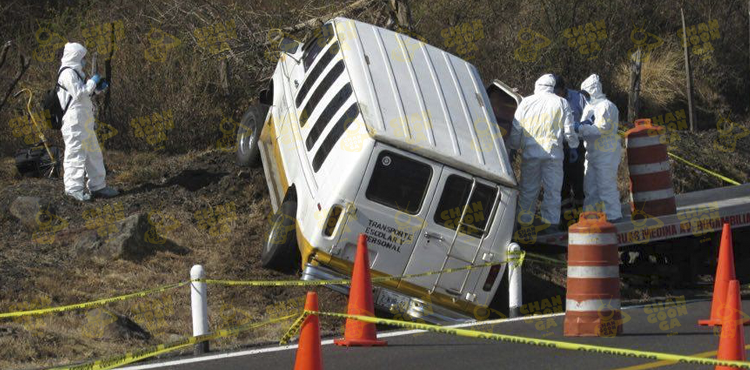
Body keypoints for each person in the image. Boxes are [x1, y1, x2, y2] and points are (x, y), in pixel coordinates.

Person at [509, 74, 579, 231]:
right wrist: (574, 145)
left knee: (528, 189)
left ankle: (524, 223)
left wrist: (514, 146)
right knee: (553, 192)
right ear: (553, 86)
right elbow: (569, 130)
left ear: (537, 85)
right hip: (554, 155)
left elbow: (516, 128)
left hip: (530, 154)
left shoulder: (526, 102)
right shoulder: (562, 102)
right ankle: (551, 225)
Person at [57, 42, 119, 201]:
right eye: (82, 57)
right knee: (75, 154)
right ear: (75, 56)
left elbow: (85, 95)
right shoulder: (67, 73)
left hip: (84, 121)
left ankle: (98, 187)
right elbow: (79, 94)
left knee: (93, 154)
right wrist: (92, 82)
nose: (84, 60)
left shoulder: (77, 73)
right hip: (74, 122)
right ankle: (73, 190)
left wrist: (97, 89)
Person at [576, 74, 622, 222]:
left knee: (606, 186)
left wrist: (580, 129)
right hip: (592, 153)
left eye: (586, 93)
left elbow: (598, 130)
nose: (585, 96)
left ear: (594, 90)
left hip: (606, 153)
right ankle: (591, 218)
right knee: (590, 189)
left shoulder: (606, 106)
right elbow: (586, 127)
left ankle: (613, 217)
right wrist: (581, 129)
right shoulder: (590, 107)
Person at [553, 76, 587, 214]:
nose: (555, 94)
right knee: (562, 182)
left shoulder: (578, 98)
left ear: (563, 89)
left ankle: (581, 212)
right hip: (559, 146)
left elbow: (590, 118)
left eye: (557, 91)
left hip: (577, 146)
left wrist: (580, 127)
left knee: (579, 180)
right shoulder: (551, 101)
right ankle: (566, 216)